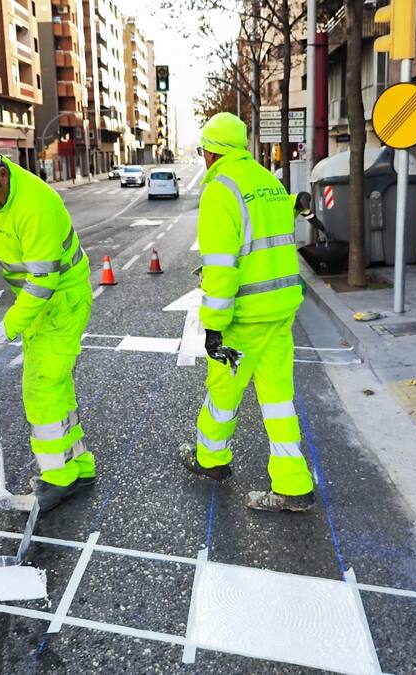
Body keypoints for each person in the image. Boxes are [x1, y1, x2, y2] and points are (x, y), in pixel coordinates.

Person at [178, 112, 316, 513]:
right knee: (278, 400)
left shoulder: (221, 190)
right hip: (282, 309)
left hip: (246, 316)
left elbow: (221, 270)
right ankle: (293, 486)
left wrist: (214, 328)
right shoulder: (269, 182)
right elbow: (273, 218)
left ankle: (211, 460)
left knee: (223, 393)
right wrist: (298, 204)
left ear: (210, 152)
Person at [0, 145, 95, 513]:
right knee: (56, 385)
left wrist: (6, 331)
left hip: (61, 297)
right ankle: (78, 466)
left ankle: (57, 479)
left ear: (2, 174)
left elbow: (42, 285)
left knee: (41, 387)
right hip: (32, 299)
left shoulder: (37, 205)